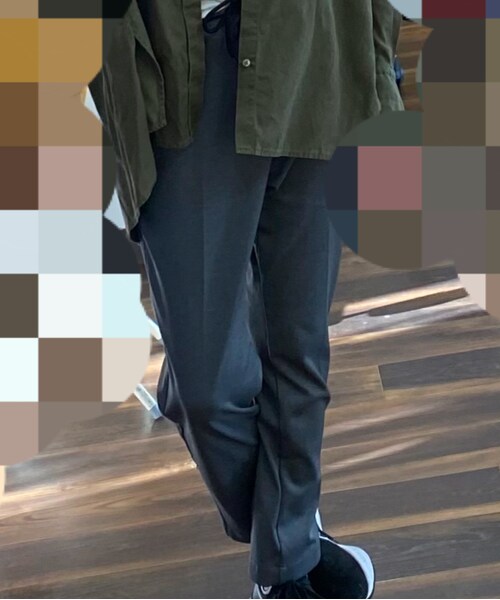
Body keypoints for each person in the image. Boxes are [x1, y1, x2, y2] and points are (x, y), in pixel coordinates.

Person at [89, 1, 404, 597]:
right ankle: (286, 523)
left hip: (320, 54)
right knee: (206, 389)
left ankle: (286, 558)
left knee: (299, 349)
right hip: (181, 72)